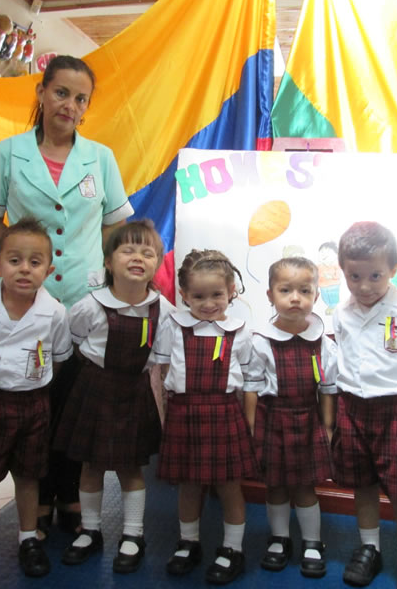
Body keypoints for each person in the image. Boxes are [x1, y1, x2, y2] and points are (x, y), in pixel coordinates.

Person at [0, 54, 133, 537]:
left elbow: (116, 221)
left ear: (87, 108)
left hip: (84, 296)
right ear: (41, 93)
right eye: (61, 92)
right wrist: (19, 258)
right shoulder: (9, 152)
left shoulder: (99, 157)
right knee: (35, 400)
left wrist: (101, 269)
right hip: (29, 296)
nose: (70, 104)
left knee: (73, 402)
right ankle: (37, 500)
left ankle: (69, 496)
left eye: (80, 98)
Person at [53, 220, 173, 574]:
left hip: (135, 391)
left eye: (147, 252)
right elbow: (73, 344)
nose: (138, 257)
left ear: (156, 263)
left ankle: (133, 535)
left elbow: (162, 362)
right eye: (128, 250)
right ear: (108, 261)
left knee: (131, 466)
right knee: (90, 465)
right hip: (95, 388)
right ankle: (90, 530)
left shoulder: (163, 310)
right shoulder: (89, 306)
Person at [0, 218, 73, 588]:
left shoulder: (54, 312)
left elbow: (57, 356)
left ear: (49, 269)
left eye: (35, 261)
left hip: (34, 403)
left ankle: (28, 539)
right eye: (15, 260)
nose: (25, 269)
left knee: (29, 475)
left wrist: (34, 383)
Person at [329, 221, 397, 589]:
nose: (365, 285)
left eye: (375, 275)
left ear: (394, 271)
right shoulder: (341, 312)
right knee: (363, 484)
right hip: (352, 407)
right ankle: (369, 548)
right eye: (354, 276)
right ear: (343, 272)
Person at [153, 249, 257, 585]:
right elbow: (163, 370)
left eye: (217, 295)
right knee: (188, 485)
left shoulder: (240, 330)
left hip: (225, 413)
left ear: (231, 292)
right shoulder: (173, 325)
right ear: (183, 295)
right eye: (198, 296)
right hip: (184, 413)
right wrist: (164, 414)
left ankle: (232, 549)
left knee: (229, 486)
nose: (208, 303)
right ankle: (188, 543)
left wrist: (250, 422)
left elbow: (250, 378)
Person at [243, 257, 337, 578]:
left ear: (316, 295)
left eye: (304, 290)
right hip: (273, 422)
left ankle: (313, 542)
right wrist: (252, 429)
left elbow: (326, 388)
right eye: (286, 290)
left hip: (308, 421)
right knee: (276, 486)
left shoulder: (322, 342)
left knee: (306, 487)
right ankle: (279, 538)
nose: (295, 298)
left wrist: (326, 426)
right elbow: (252, 388)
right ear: (271, 296)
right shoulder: (261, 342)